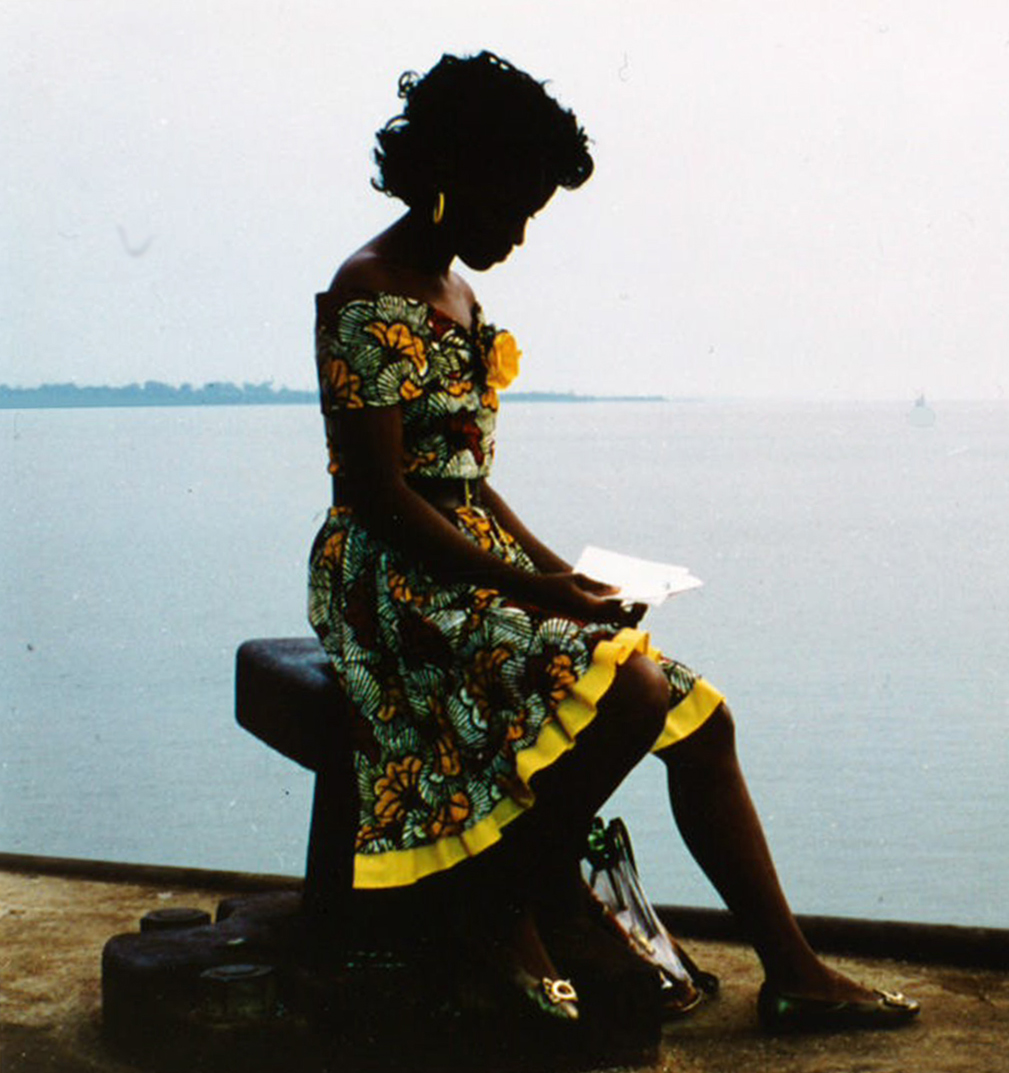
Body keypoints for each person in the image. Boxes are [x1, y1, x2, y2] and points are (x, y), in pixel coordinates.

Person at [306, 50, 919, 1033]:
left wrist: (560, 575)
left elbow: (465, 480)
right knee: (628, 688)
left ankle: (794, 969)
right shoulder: (367, 291)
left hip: (466, 560)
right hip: (392, 581)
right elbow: (381, 498)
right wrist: (537, 592)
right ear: (455, 172)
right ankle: (503, 904)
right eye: (511, 208)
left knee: (700, 719)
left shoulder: (457, 294)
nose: (518, 235)